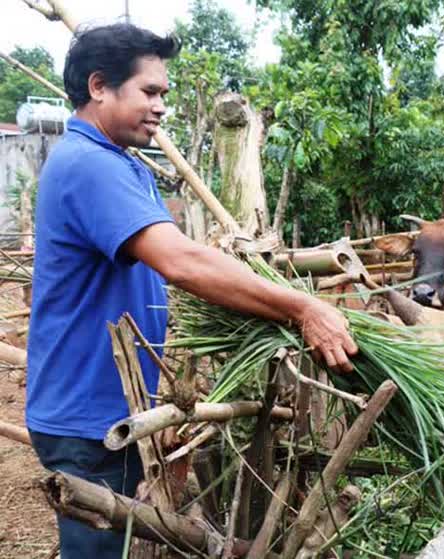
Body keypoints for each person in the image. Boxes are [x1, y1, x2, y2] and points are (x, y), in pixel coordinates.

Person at [25, 23, 358, 558]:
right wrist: (302, 306)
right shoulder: (88, 166)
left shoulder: (121, 164)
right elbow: (179, 262)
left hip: (107, 404)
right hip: (86, 417)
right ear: (98, 87)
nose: (162, 107)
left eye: (165, 94)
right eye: (149, 92)